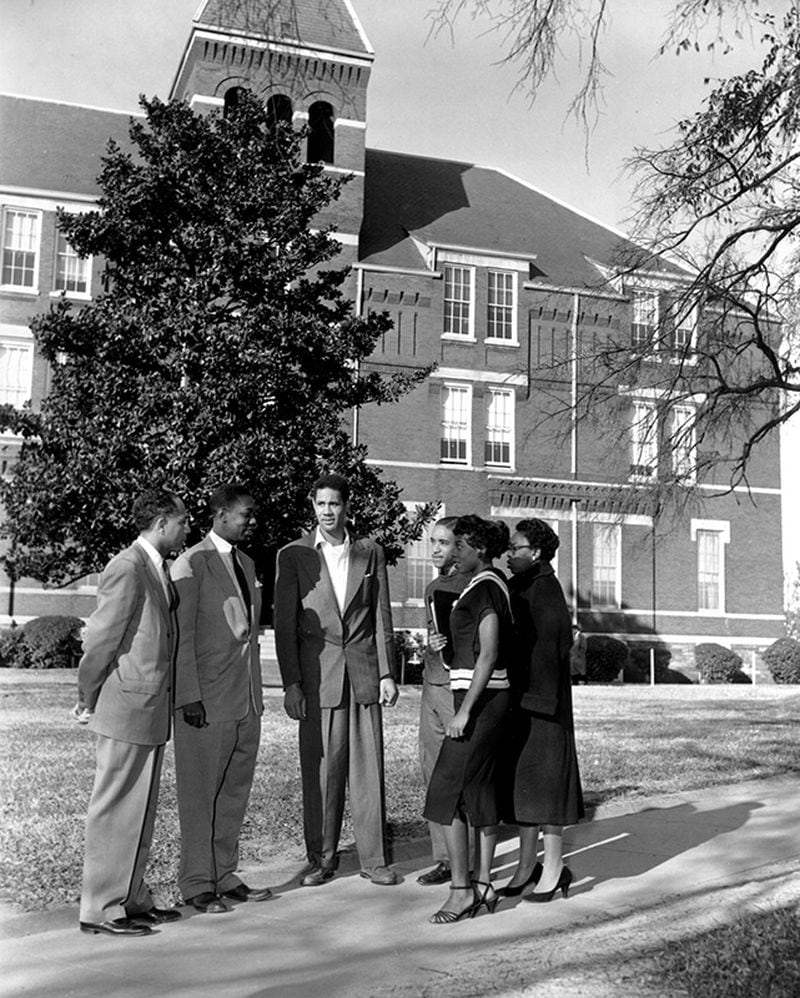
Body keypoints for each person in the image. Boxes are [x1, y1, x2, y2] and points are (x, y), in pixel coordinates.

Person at [274, 472, 399, 887]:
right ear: (313, 506)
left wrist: (386, 672)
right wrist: (292, 683)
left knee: (368, 772)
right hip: (317, 677)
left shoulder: (370, 552)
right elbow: (285, 624)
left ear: (347, 507)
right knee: (322, 772)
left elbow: (382, 616)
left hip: (363, 674)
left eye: (335, 504)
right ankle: (321, 859)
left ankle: (374, 860)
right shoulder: (293, 555)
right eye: (321, 504)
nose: (328, 511)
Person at [76, 488, 188, 936]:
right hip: (126, 707)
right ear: (161, 523)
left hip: (148, 709)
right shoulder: (127, 567)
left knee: (138, 810)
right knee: (115, 808)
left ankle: (131, 899)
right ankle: (101, 908)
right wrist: (87, 694)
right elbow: (101, 640)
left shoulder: (154, 567)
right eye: (182, 521)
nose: (186, 528)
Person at [171, 485, 271, 913]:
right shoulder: (190, 563)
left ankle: (223, 874)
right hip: (205, 704)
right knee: (199, 797)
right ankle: (196, 884)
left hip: (245, 700)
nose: (251, 521)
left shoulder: (246, 563)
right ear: (220, 514)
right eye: (245, 514)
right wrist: (189, 695)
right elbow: (181, 636)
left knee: (233, 793)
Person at [422, 515, 513, 923]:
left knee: (448, 790)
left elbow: (490, 655)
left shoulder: (489, 586)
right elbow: (469, 649)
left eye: (460, 546)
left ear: (480, 550)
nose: (453, 552)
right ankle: (482, 886)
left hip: (481, 704)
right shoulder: (478, 586)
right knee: (471, 793)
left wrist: (463, 711)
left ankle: (462, 891)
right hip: (474, 699)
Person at [499, 519, 584, 903]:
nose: (508, 554)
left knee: (548, 789)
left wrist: (538, 701)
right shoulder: (521, 586)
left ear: (534, 552)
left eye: (515, 548)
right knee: (524, 787)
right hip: (522, 702)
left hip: (543, 706)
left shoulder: (545, 589)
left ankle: (553, 867)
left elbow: (553, 648)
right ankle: (525, 865)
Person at [416, 516, 468, 887]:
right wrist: (432, 645)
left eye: (443, 543)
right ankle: (444, 859)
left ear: (459, 547)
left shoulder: (473, 585)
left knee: (458, 776)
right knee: (431, 772)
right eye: (432, 542)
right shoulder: (433, 587)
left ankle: (469, 861)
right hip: (431, 688)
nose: (435, 549)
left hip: (457, 691)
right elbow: (433, 635)